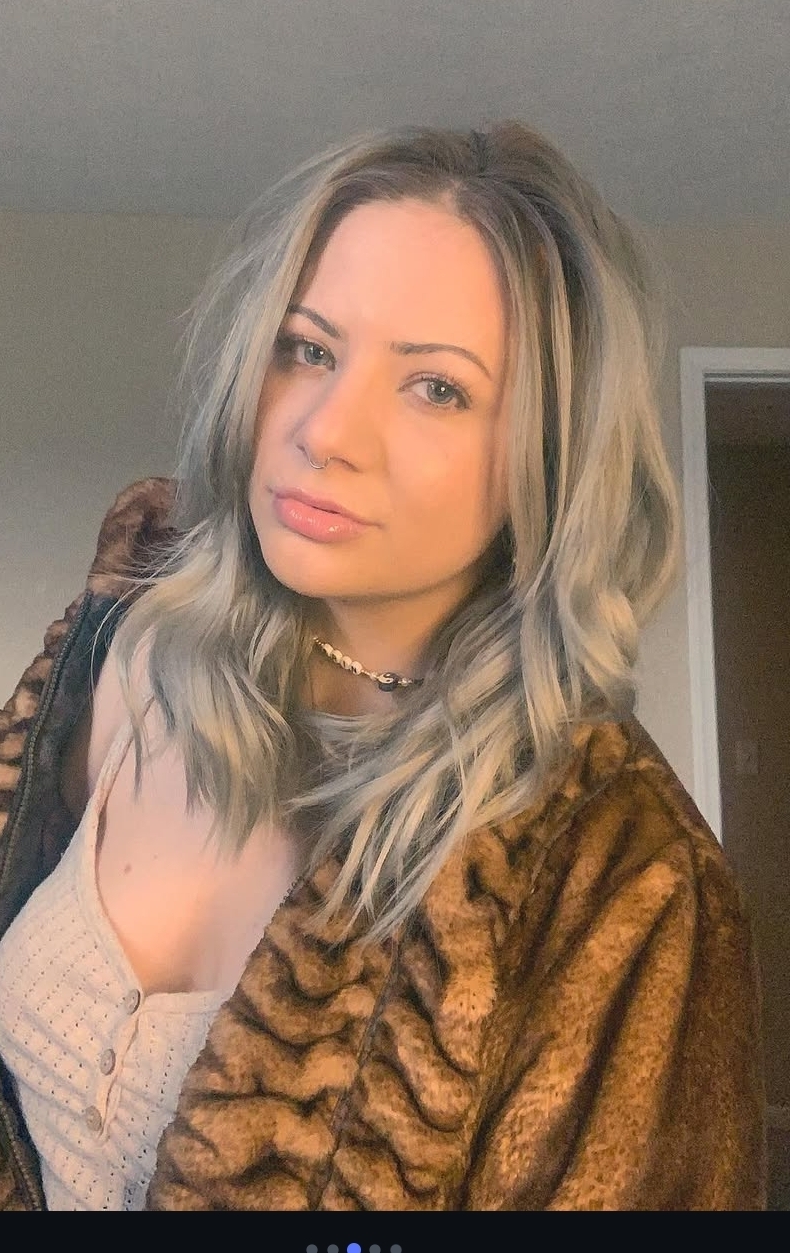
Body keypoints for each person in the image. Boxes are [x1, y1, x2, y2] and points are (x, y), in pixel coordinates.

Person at [0, 121, 765, 1212]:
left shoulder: (624, 887)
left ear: (548, 458)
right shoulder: (128, 644)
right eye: (308, 349)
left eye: (437, 387)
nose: (326, 431)